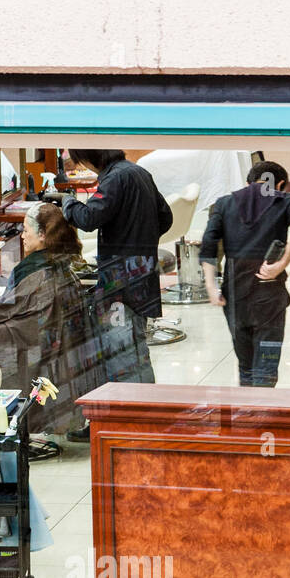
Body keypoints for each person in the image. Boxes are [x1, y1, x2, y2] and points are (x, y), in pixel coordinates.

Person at [61, 148, 173, 404]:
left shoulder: (113, 179)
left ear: (91, 158)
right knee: (138, 347)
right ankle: (147, 411)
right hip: (143, 276)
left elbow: (88, 218)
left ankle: (125, 417)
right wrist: (138, 235)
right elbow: (165, 218)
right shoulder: (140, 172)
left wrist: (68, 203)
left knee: (119, 350)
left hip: (119, 282)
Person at [0, 203, 100, 435]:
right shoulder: (59, 262)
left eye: (26, 230)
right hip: (55, 340)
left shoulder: (37, 271)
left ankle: (8, 418)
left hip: (35, 338)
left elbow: (8, 310)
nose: (22, 235)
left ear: (42, 235)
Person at [200, 160, 290, 386]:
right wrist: (282, 262)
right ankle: (262, 412)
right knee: (267, 361)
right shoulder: (285, 199)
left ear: (248, 182)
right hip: (268, 292)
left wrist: (211, 287)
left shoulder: (224, 203)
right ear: (280, 183)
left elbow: (208, 246)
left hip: (234, 292)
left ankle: (247, 412)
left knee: (245, 363)